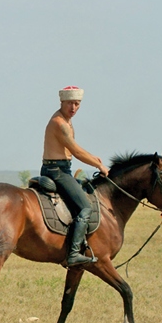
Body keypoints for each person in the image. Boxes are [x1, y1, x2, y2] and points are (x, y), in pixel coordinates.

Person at [42, 85, 111, 266]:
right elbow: (76, 151)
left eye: (77, 104)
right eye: (70, 103)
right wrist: (99, 165)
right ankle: (73, 254)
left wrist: (93, 157)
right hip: (57, 171)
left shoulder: (67, 121)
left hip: (63, 168)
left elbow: (74, 149)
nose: (73, 108)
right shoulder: (59, 123)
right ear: (61, 102)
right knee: (86, 207)